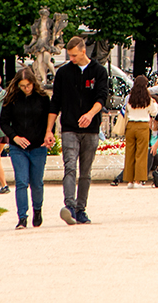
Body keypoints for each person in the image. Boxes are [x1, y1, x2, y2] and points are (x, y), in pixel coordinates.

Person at [49, 36, 109, 225]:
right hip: (69, 127)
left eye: (74, 55)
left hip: (91, 129)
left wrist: (90, 114)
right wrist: (49, 130)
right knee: (70, 167)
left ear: (84, 51)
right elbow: (55, 103)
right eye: (70, 55)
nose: (71, 59)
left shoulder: (99, 71)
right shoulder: (64, 73)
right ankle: (70, 206)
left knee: (85, 172)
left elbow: (102, 98)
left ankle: (81, 209)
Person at [0, 66, 54, 229]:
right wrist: (15, 137)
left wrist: (49, 135)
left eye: (28, 85)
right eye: (22, 86)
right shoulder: (11, 99)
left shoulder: (42, 98)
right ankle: (22, 217)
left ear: (33, 83)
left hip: (38, 146)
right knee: (21, 181)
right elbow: (3, 122)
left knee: (37, 182)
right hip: (18, 147)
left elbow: (49, 119)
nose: (26, 89)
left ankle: (37, 209)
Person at [122, 75, 158, 188]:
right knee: (141, 154)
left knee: (130, 153)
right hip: (143, 126)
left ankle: (129, 180)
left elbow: (126, 110)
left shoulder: (129, 98)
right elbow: (154, 112)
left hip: (130, 126)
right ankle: (138, 181)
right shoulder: (148, 99)